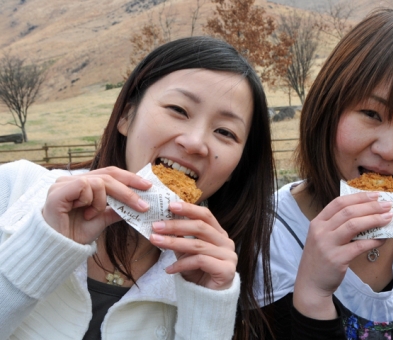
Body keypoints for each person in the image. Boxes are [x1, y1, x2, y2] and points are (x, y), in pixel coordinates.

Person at [0, 36, 275, 339]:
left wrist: (207, 307)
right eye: (178, 110)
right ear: (126, 117)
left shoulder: (220, 266)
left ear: (237, 167)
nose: (195, 142)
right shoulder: (13, 189)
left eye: (225, 131)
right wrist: (43, 246)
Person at [256, 8, 393, 339]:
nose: (389, 149)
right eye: (371, 113)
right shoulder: (268, 238)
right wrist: (313, 297)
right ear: (328, 109)